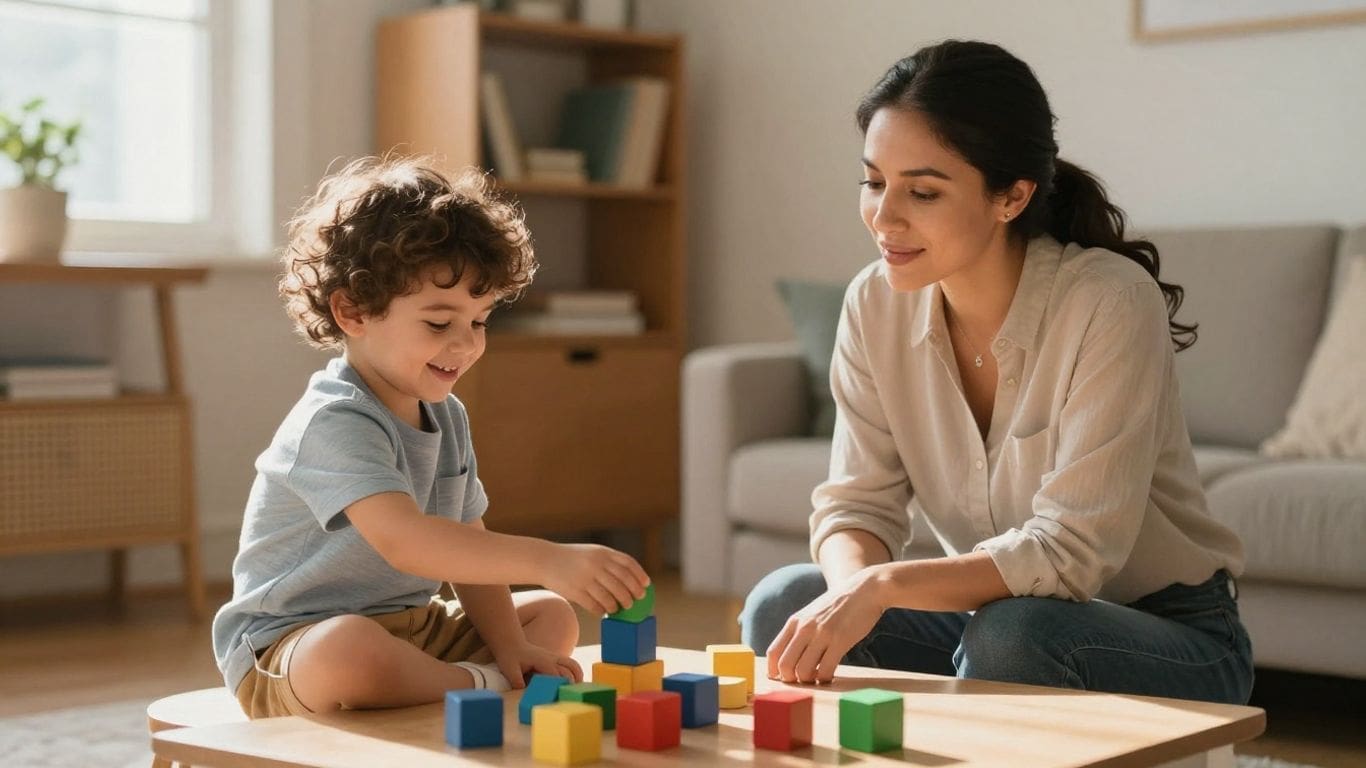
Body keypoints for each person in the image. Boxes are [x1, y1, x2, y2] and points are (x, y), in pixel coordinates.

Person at [742, 40, 1253, 704]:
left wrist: (883, 588)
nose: (883, 217)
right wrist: (849, 597)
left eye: (922, 191)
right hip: (998, 614)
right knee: (785, 603)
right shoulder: (874, 302)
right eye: (873, 182)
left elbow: (1072, 552)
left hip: (1168, 632)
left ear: (1011, 197)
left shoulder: (1108, 300)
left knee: (1013, 638)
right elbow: (857, 505)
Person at [212, 156, 650, 718]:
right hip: (292, 644)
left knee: (550, 617)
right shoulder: (334, 420)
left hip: (411, 629)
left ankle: (454, 681)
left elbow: (469, 541)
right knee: (350, 651)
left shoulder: (447, 417)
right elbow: (408, 542)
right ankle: (476, 686)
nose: (465, 345)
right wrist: (546, 558)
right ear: (352, 311)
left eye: (480, 321)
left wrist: (513, 644)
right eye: (440, 324)